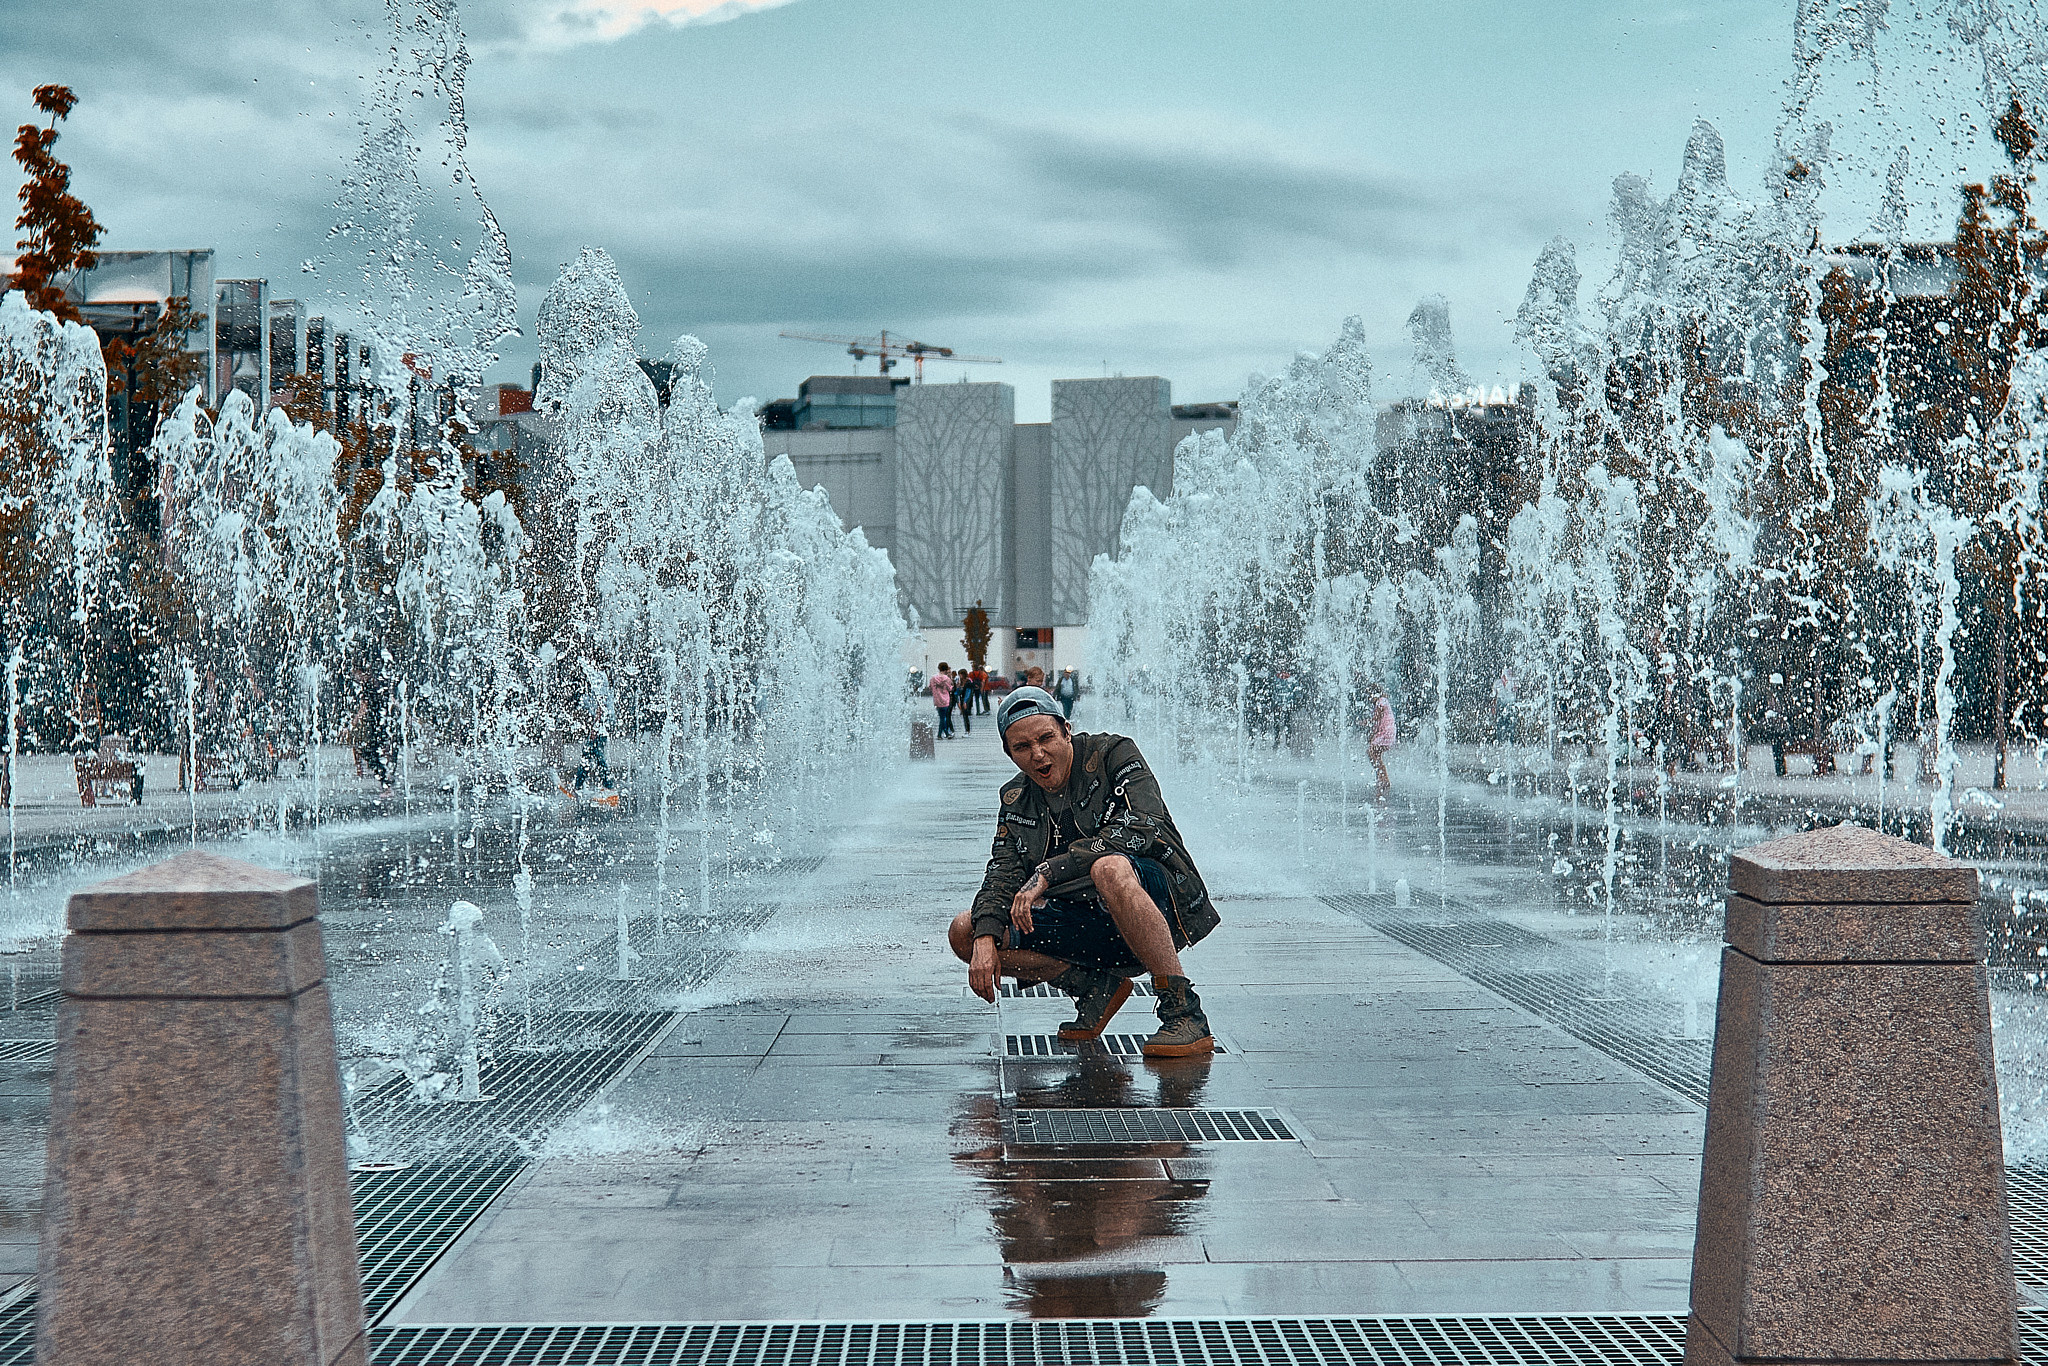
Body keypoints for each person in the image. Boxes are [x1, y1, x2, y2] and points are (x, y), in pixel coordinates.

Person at [948, 686, 1221, 1057]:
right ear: (1009, 753)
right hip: (1084, 923)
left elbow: (1145, 823)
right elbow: (1001, 873)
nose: (1038, 754)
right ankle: (1093, 986)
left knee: (1109, 867)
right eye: (1022, 747)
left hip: (1158, 903)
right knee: (965, 930)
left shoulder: (1113, 754)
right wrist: (984, 938)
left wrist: (1050, 871)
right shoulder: (1016, 799)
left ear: (1066, 730)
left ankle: (1184, 1014)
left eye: (1046, 738)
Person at [1365, 684, 1396, 803]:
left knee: (1372, 752)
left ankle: (1384, 778)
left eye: (1370, 695)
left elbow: (1376, 718)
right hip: (1385, 731)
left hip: (1386, 732)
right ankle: (1381, 778)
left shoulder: (1381, 701)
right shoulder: (1382, 701)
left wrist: (1365, 722)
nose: (1369, 698)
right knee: (1375, 754)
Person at [931, 663, 955, 740]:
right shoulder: (947, 679)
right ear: (946, 669)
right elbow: (950, 688)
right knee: (943, 717)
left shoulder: (933, 678)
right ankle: (945, 734)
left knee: (942, 717)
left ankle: (940, 734)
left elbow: (930, 687)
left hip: (937, 699)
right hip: (945, 699)